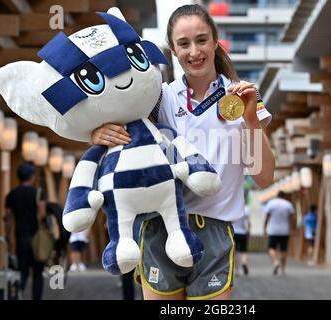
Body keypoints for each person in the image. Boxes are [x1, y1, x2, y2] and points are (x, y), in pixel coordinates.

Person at [91, 4, 275, 300]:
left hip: (215, 230)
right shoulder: (158, 96)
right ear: (173, 50)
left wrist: (251, 119)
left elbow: (264, 176)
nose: (194, 51)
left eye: (202, 40)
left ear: (216, 41)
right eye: (184, 43)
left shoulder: (242, 96)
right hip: (160, 227)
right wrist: (99, 133)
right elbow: (117, 126)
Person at [4, 163, 47, 300]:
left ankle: (18, 295)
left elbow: (9, 220)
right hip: (37, 239)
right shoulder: (38, 193)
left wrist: (9, 238)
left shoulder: (11, 195)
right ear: (32, 176)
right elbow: (42, 215)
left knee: (22, 272)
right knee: (37, 273)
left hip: (21, 238)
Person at [263, 191, 295, 275]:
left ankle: (275, 262)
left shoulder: (271, 204)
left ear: (277, 196)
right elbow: (292, 218)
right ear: (284, 196)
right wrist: (292, 228)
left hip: (273, 230)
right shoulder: (288, 205)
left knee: (271, 248)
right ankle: (283, 269)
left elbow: (267, 217)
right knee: (283, 250)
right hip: (285, 231)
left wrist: (265, 227)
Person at [232, 206, 251, 276]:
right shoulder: (246, 209)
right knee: (244, 251)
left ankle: (236, 270)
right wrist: (248, 231)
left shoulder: (233, 208)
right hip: (243, 233)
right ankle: (244, 262)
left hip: (234, 233)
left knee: (235, 252)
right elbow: (248, 222)